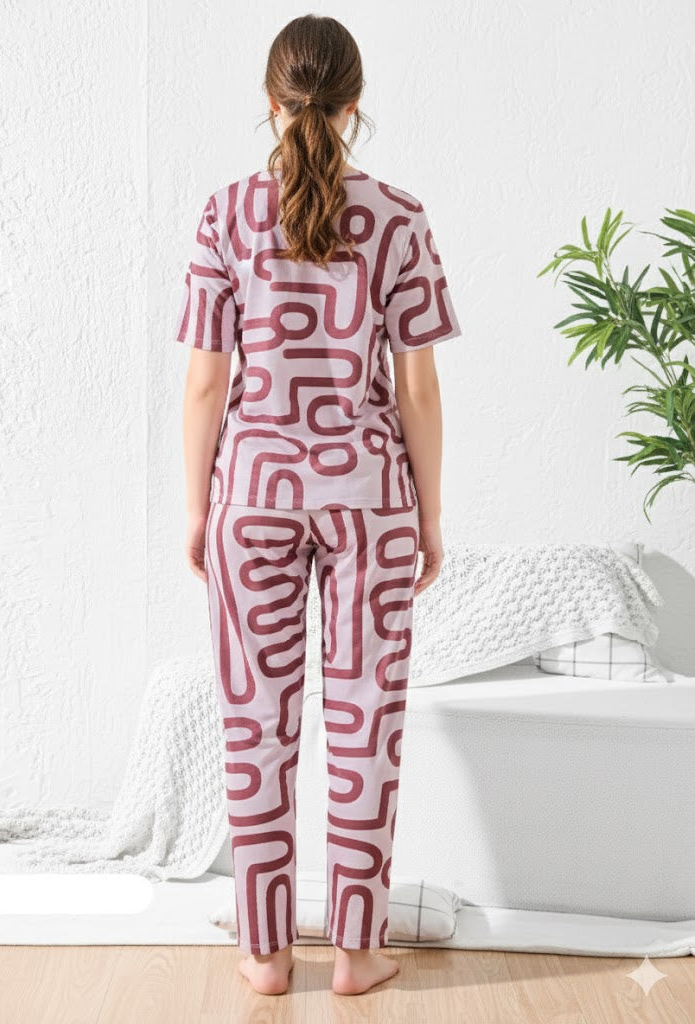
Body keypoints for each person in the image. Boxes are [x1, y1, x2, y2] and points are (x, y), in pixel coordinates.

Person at [176, 13, 461, 999]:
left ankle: (264, 954)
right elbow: (417, 388)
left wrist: (197, 508)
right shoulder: (400, 217)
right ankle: (355, 951)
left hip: (251, 491)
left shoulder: (223, 214)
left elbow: (205, 383)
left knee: (253, 720)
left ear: (271, 101)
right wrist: (428, 515)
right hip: (368, 496)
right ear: (354, 103)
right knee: (364, 719)